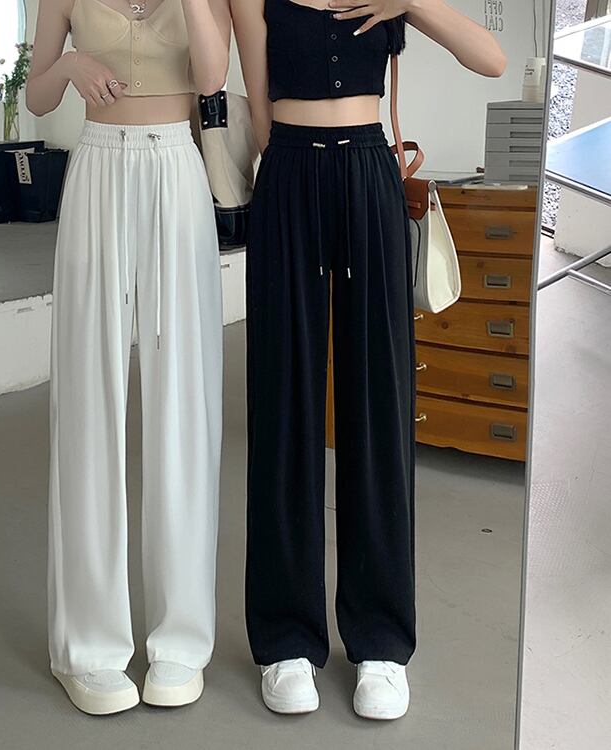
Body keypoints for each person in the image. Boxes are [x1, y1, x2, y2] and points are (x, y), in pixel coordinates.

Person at [230, 0, 506, 718]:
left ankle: (380, 642)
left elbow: (491, 59)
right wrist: (290, 179)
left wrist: (410, 1)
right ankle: (286, 639)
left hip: (369, 171)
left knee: (379, 402)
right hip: (288, 174)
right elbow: (259, 115)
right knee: (283, 397)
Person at [26, 0, 230, 715]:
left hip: (176, 166)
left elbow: (214, 77)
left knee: (184, 403)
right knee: (89, 399)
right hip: (97, 169)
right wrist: (69, 64)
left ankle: (181, 641)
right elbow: (36, 94)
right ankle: (87, 646)